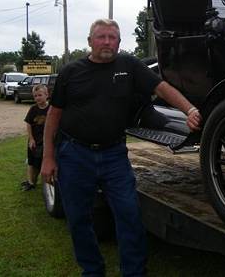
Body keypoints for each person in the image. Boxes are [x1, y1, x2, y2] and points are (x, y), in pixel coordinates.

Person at [41, 18, 202, 277]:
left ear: (118, 41)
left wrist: (190, 109)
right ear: (90, 41)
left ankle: (134, 271)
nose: (107, 42)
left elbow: (162, 88)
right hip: (74, 154)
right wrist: (48, 156)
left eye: (112, 37)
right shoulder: (71, 72)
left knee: (129, 215)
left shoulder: (129, 65)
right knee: (79, 219)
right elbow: (53, 116)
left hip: (113, 155)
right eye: (101, 36)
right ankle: (92, 271)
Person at [21, 84, 50, 191]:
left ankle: (42, 182)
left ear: (47, 95)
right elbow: (28, 124)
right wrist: (31, 139)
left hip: (46, 142)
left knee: (42, 162)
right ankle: (30, 182)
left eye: (40, 95)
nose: (37, 98)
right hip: (34, 141)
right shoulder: (33, 109)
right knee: (31, 162)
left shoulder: (51, 109)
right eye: (35, 96)